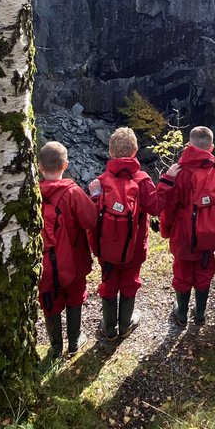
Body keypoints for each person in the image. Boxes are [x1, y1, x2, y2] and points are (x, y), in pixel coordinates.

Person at [157, 126, 215, 326]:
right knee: (205, 270)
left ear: (189, 145)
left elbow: (168, 207)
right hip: (210, 234)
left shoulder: (178, 172)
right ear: (212, 148)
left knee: (182, 272)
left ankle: (181, 313)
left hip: (183, 234)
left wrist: (166, 230)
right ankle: (200, 313)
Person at [87, 127, 165, 340]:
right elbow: (156, 207)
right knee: (130, 281)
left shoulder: (100, 182)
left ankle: (109, 328)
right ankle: (125, 326)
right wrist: (167, 182)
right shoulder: (142, 180)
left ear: (111, 152)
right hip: (135, 247)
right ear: (136, 151)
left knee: (109, 281)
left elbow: (92, 217)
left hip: (106, 247)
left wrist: (94, 196)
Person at [38, 141, 98, 359]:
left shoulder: (33, 195)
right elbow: (91, 220)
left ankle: (55, 348)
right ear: (66, 165)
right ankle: (74, 342)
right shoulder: (73, 193)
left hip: (45, 263)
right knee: (74, 297)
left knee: (49, 301)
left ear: (39, 166)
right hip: (73, 259)